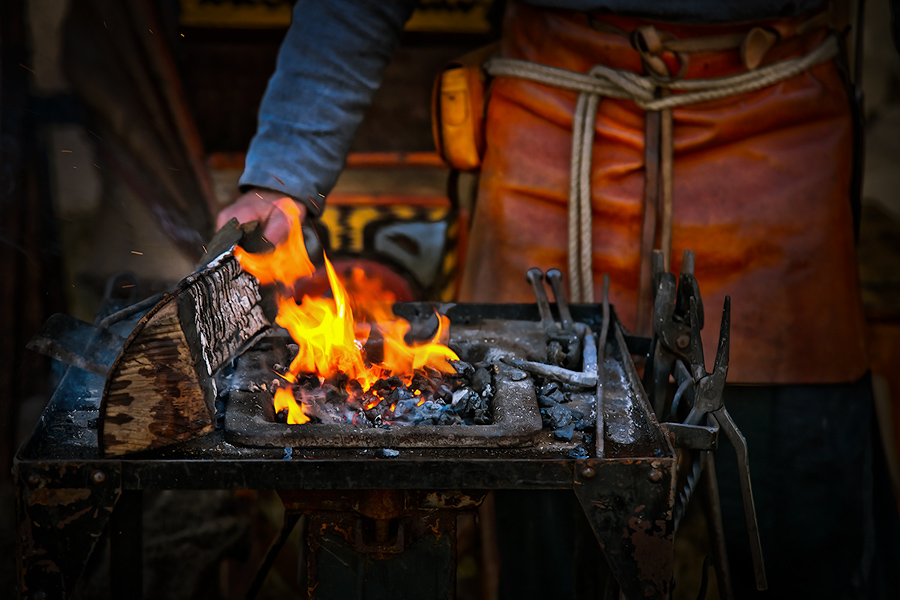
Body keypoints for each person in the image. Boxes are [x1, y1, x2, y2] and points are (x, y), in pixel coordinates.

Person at [218, 1, 900, 597]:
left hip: (772, 128)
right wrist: (285, 174)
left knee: (802, 520)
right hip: (554, 120)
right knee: (544, 511)